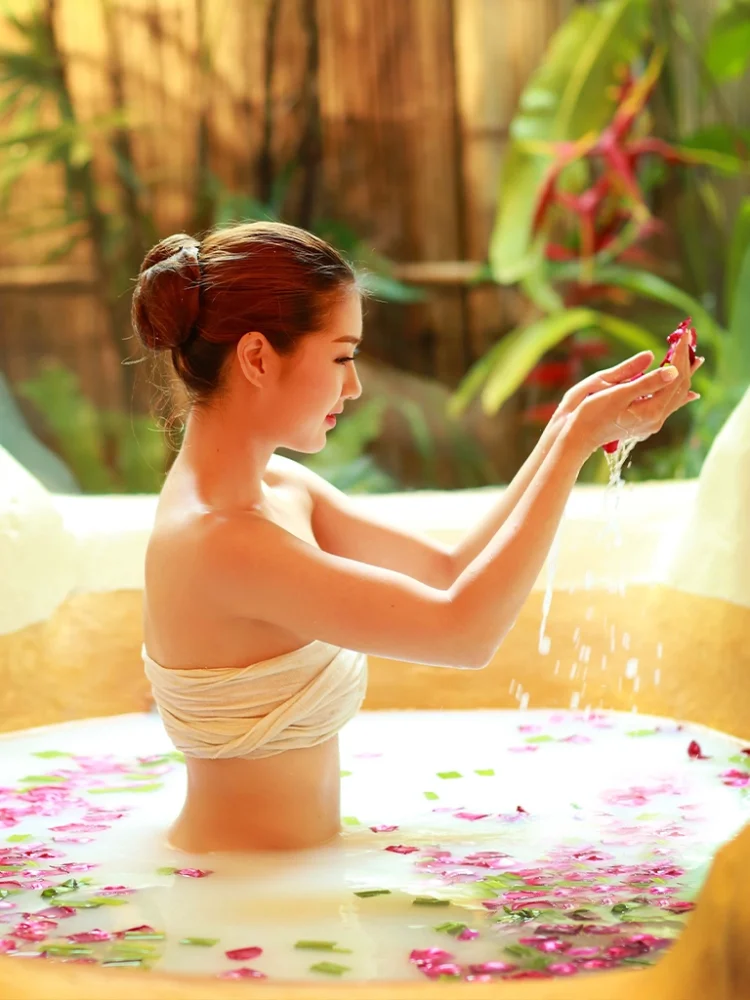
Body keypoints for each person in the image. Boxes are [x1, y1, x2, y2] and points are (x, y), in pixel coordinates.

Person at [132, 221, 700, 853]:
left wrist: (567, 423)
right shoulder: (219, 540)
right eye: (342, 357)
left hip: (285, 875)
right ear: (258, 358)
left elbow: (448, 569)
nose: (354, 386)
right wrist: (573, 446)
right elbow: (463, 633)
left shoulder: (279, 488)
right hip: (237, 887)